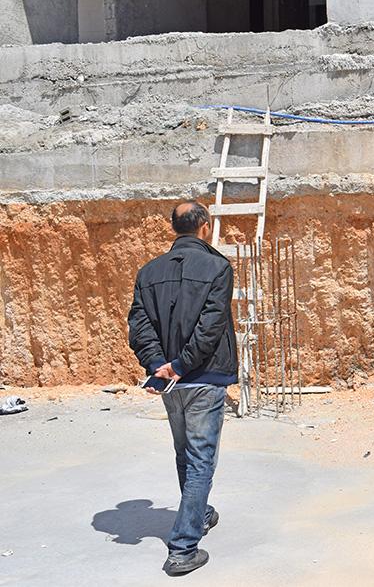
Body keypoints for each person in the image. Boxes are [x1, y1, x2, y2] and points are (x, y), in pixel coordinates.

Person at [128, 201, 237, 576]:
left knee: (185, 453)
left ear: (174, 228)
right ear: (204, 227)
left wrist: (160, 364)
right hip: (202, 376)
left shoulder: (148, 271)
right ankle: (183, 546)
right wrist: (181, 364)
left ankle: (200, 512)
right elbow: (211, 326)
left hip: (171, 380)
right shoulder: (218, 267)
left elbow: (138, 326)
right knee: (201, 457)